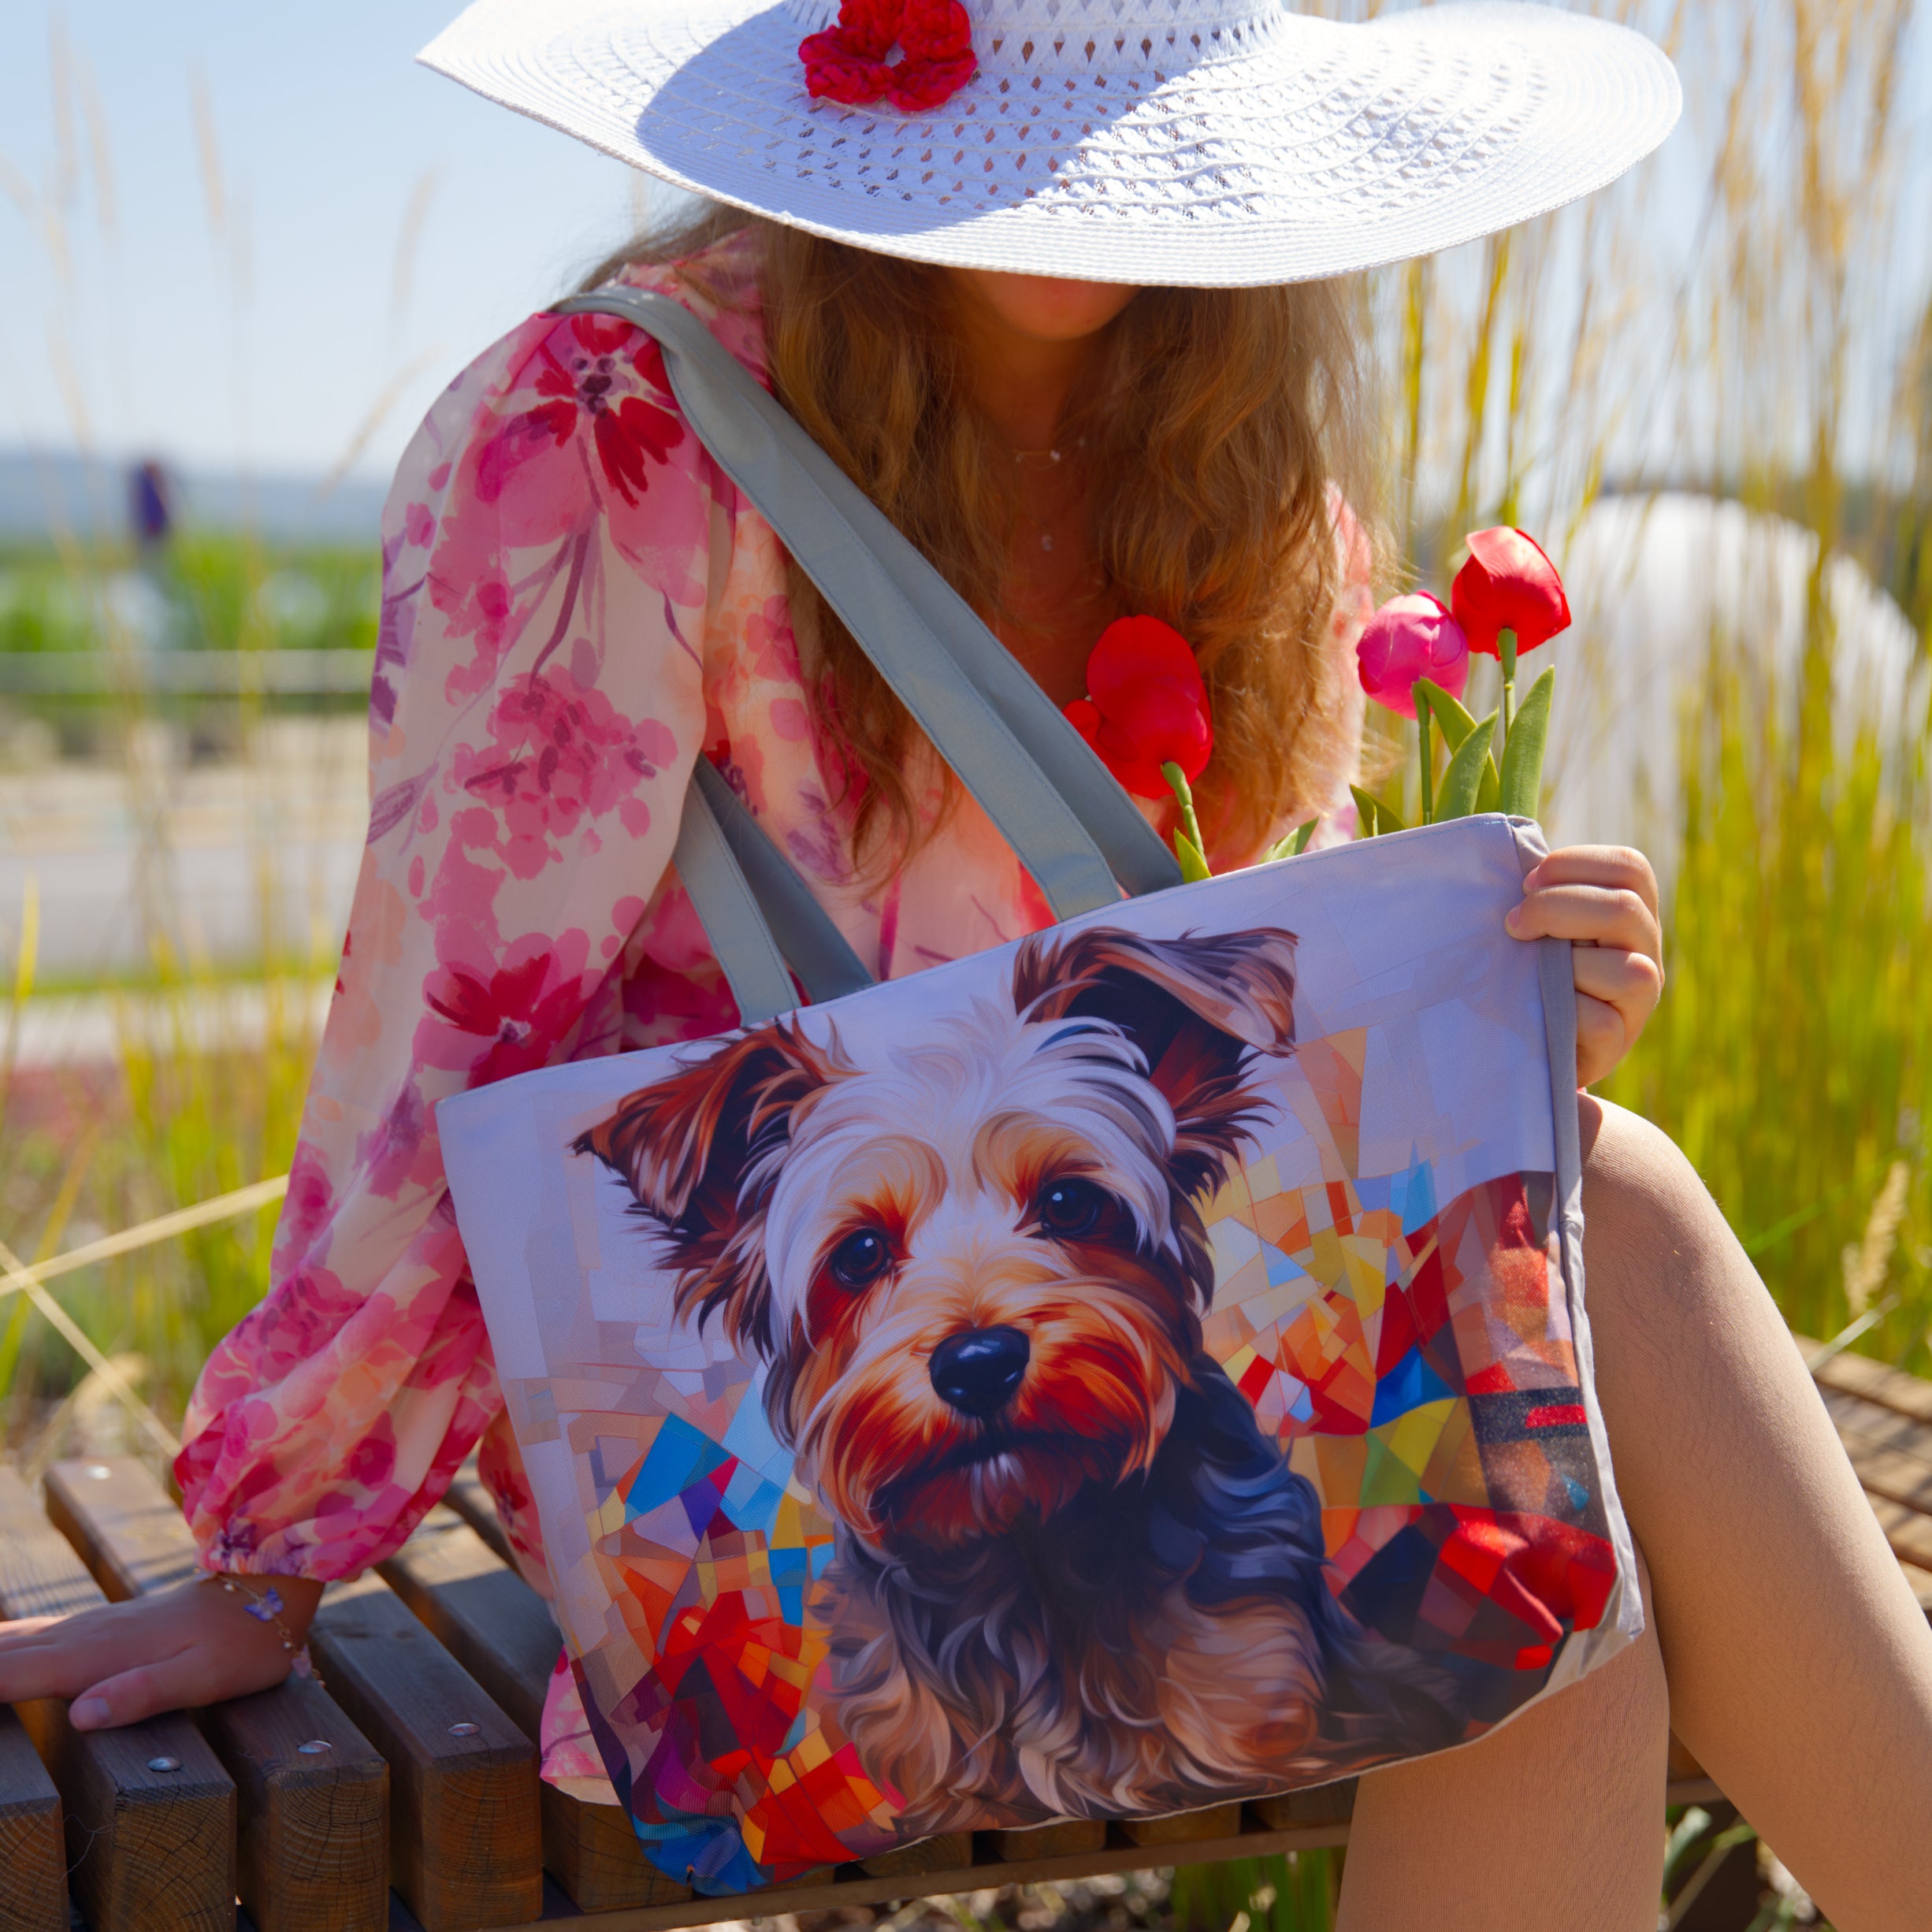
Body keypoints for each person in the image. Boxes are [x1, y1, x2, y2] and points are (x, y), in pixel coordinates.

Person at [6, 2, 1930, 1924]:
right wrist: (272, 1549)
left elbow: (1260, 1039)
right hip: (753, 1440)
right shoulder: (612, 432)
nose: (1073, 181)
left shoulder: (1252, 485)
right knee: (1553, 1412)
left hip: (1156, 1370)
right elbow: (446, 1026)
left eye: (1128, 118)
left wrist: (1509, 1014)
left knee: (1536, 1489)